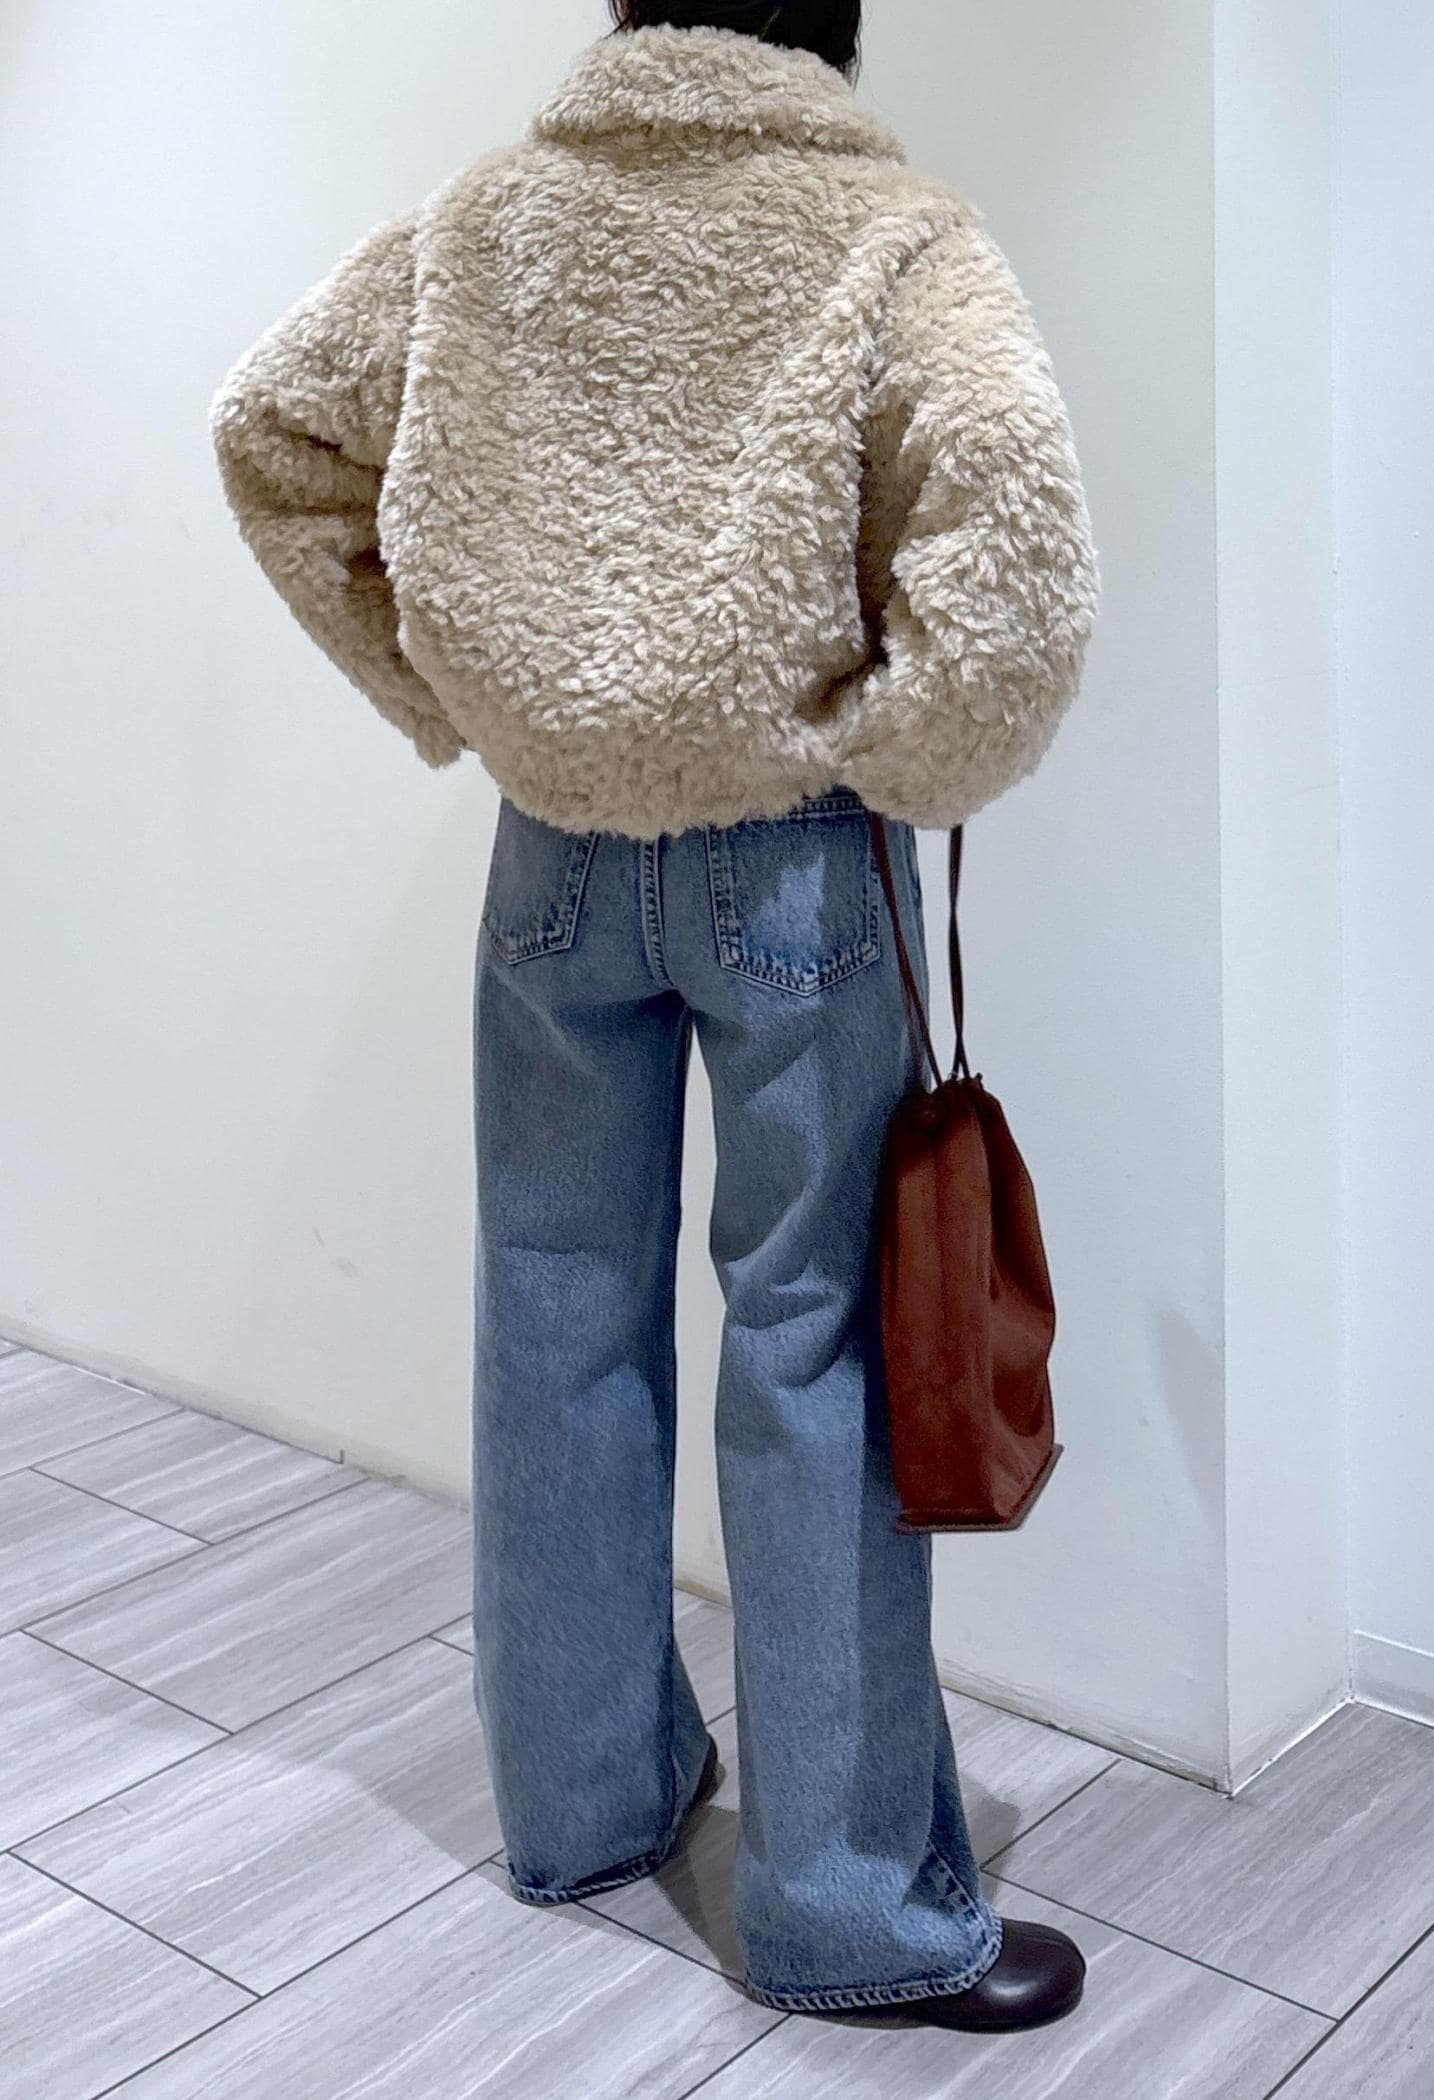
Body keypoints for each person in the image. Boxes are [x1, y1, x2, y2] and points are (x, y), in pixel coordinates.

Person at [209, 0, 1100, 2031]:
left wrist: (454, 693)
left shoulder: (484, 220)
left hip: (551, 864)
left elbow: (273, 435)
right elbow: (1018, 556)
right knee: (814, 1343)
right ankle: (847, 1911)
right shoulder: (891, 236)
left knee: (553, 1311)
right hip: (793, 864)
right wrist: (901, 751)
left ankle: (583, 1806)